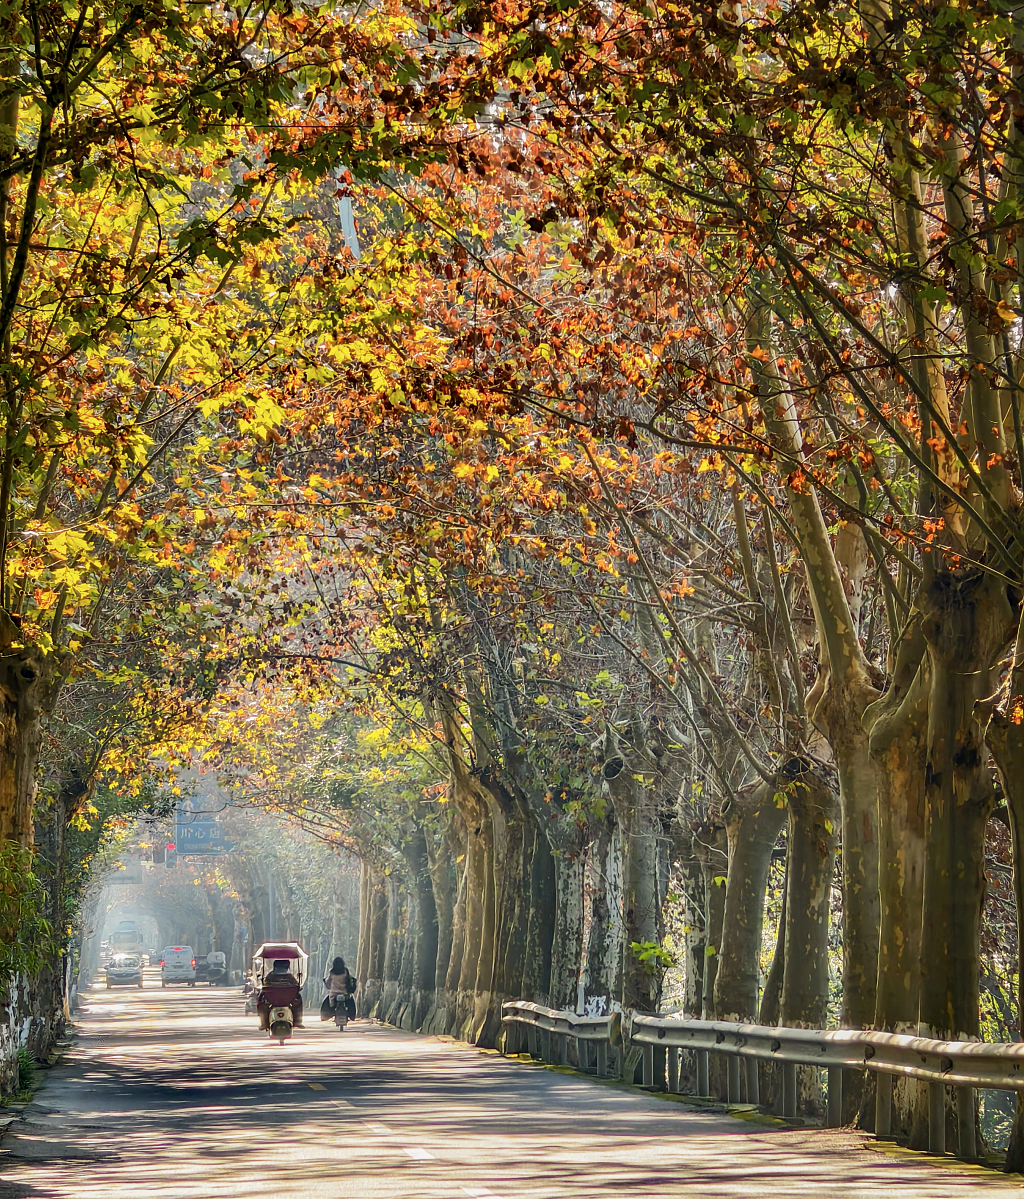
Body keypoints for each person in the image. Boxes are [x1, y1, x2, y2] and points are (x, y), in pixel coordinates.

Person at [257, 959, 303, 1030]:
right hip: (288, 999)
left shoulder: (270, 976)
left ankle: (264, 1023)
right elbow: (296, 986)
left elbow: (265, 987)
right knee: (298, 1000)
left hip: (273, 999)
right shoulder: (290, 977)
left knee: (260, 1002)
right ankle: (297, 1021)